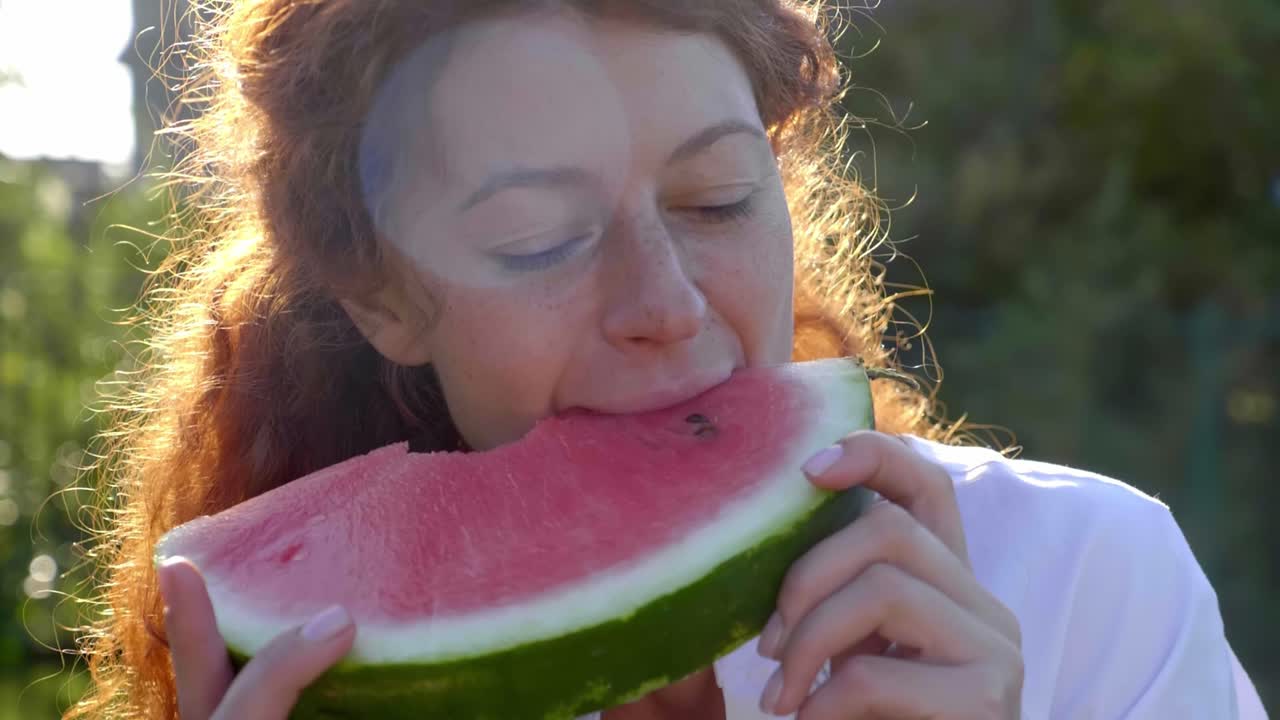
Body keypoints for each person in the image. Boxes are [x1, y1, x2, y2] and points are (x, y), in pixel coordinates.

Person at [68, 1, 1267, 718]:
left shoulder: (1083, 587)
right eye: (541, 237)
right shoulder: (320, 683)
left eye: (713, 200)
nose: (667, 303)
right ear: (383, 296)